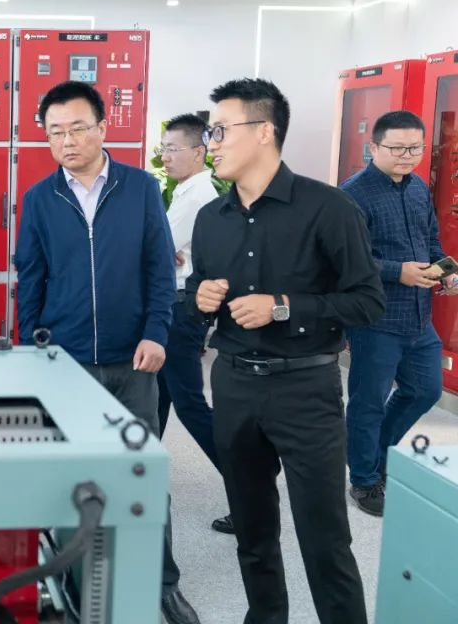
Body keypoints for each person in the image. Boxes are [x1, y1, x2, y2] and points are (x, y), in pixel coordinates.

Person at [187, 78, 384, 624]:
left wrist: (284, 306)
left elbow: (368, 301)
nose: (210, 143)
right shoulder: (211, 218)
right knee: (252, 533)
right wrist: (199, 298)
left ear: (264, 131)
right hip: (233, 385)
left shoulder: (328, 208)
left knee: (325, 540)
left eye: (219, 131)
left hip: (305, 389)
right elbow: (197, 295)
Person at [15, 81, 199, 624]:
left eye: (77, 128)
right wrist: (31, 351)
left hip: (132, 363)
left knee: (143, 476)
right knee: (68, 476)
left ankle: (163, 583)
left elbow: (160, 271)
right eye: (55, 132)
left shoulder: (140, 188)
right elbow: (31, 281)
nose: (67, 141)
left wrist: (157, 332)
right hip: (66, 364)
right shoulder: (40, 198)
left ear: (101, 127)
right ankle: (70, 580)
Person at [340, 110, 451, 516]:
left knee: (425, 390)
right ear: (374, 148)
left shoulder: (418, 187)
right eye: (398, 148)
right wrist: (395, 271)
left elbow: (430, 239)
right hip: (376, 318)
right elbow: (342, 261)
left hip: (419, 315)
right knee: (368, 402)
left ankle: (378, 457)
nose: (408, 156)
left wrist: (445, 270)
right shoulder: (351, 195)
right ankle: (364, 479)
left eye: (415, 148)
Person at [156, 113, 231, 534]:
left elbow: (157, 247)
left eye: (173, 148)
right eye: (164, 148)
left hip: (181, 309)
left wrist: (164, 251)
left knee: (188, 403)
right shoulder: (186, 191)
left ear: (199, 152)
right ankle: (140, 474)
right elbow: (165, 249)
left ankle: (248, 487)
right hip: (175, 304)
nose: (165, 156)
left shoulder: (198, 194)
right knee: (157, 398)